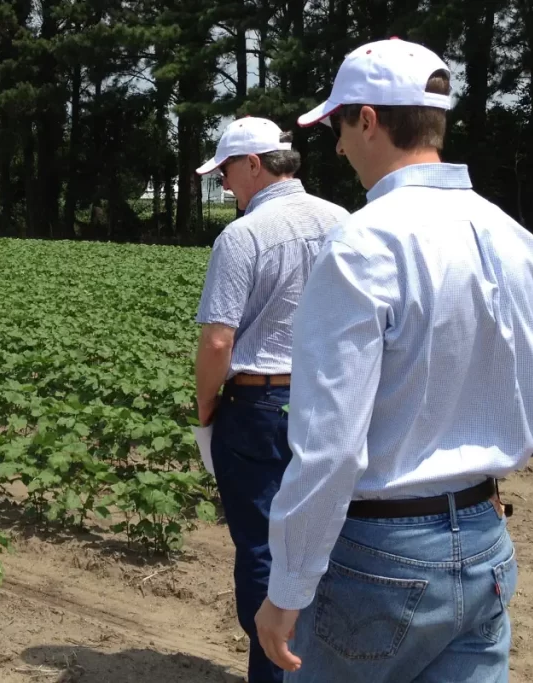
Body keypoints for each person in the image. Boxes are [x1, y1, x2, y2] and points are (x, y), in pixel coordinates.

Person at [255, 38, 533, 683]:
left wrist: (287, 588)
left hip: (380, 556)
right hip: (486, 544)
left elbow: (330, 447)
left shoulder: (363, 244)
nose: (336, 147)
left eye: (339, 125)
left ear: (367, 119)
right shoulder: (520, 241)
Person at [194, 116, 350, 683]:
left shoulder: (244, 235)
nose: (226, 187)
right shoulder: (344, 221)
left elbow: (217, 341)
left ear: (254, 164)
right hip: (333, 399)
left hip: (258, 407)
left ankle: (273, 670)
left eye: (227, 173)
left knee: (264, 547)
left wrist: (207, 407)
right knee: (327, 537)